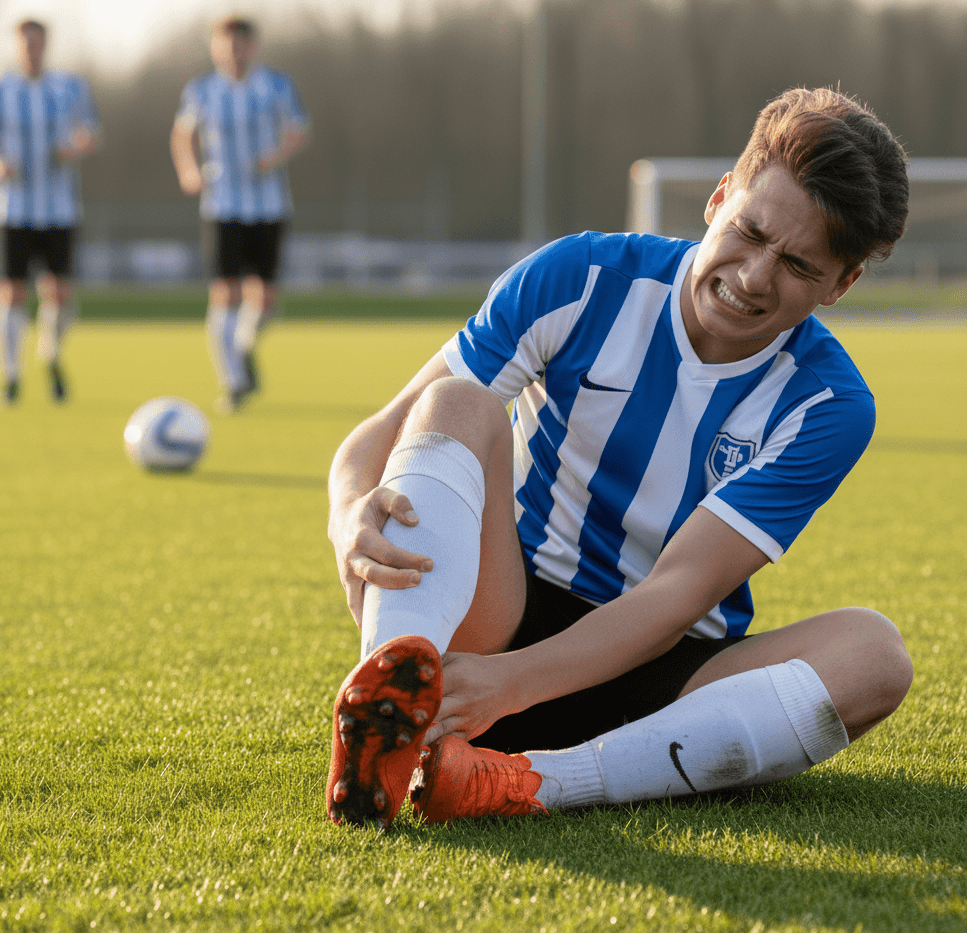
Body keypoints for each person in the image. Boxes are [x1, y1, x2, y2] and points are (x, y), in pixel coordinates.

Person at [324, 87, 915, 831]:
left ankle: (530, 781)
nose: (755, 276)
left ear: (842, 283)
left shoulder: (827, 403)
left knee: (874, 657)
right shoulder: (581, 277)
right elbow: (376, 436)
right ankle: (390, 708)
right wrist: (349, 513)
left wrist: (511, 686)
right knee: (458, 405)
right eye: (750, 232)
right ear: (719, 197)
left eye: (798, 264)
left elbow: (675, 595)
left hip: (657, 681)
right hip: (493, 625)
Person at [170, 16, 310, 414]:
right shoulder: (201, 90)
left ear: (254, 47)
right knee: (225, 293)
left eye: (242, 44)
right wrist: (190, 170)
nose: (235, 51)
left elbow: (298, 130)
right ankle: (232, 383)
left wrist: (277, 155)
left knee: (265, 300)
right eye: (227, 44)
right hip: (222, 205)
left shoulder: (277, 85)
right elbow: (182, 135)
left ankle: (244, 345)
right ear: (216, 47)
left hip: (269, 205)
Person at [0, 19, 101, 405]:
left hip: (60, 208)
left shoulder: (70, 87)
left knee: (59, 291)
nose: (31, 50)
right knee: (10, 291)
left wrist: (75, 148)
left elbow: (91, 131)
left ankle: (51, 355)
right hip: (12, 209)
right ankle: (10, 376)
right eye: (25, 43)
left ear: (45, 45)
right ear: (16, 46)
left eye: (37, 43)